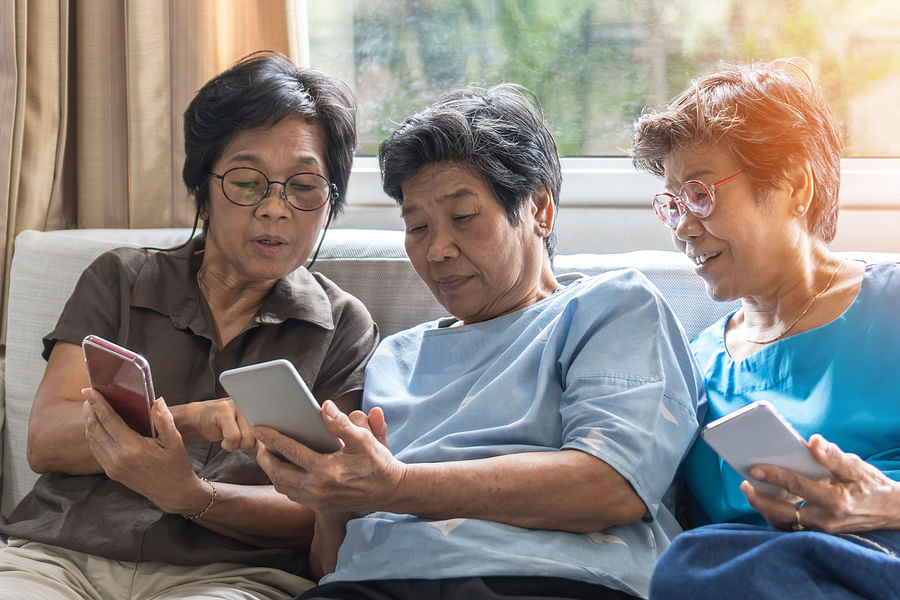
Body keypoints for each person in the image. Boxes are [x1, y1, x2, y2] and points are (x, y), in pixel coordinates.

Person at [251, 83, 704, 600]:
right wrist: (334, 499)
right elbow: (331, 564)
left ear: (539, 209)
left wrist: (397, 484)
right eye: (417, 226)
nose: (437, 250)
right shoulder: (394, 357)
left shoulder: (613, 308)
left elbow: (611, 487)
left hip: (545, 582)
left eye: (463, 217)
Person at [0, 51, 378, 599]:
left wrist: (190, 495)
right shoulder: (120, 280)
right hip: (60, 557)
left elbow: (325, 507)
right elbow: (47, 441)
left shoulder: (342, 327)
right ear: (203, 184)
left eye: (303, 186)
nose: (275, 208)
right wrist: (190, 420)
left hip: (229, 576)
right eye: (247, 182)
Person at [631, 60, 900, 599]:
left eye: (700, 193)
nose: (683, 227)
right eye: (673, 203)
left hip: (883, 558)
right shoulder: (694, 365)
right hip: (755, 575)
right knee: (690, 563)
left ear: (794, 185)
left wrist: (887, 504)